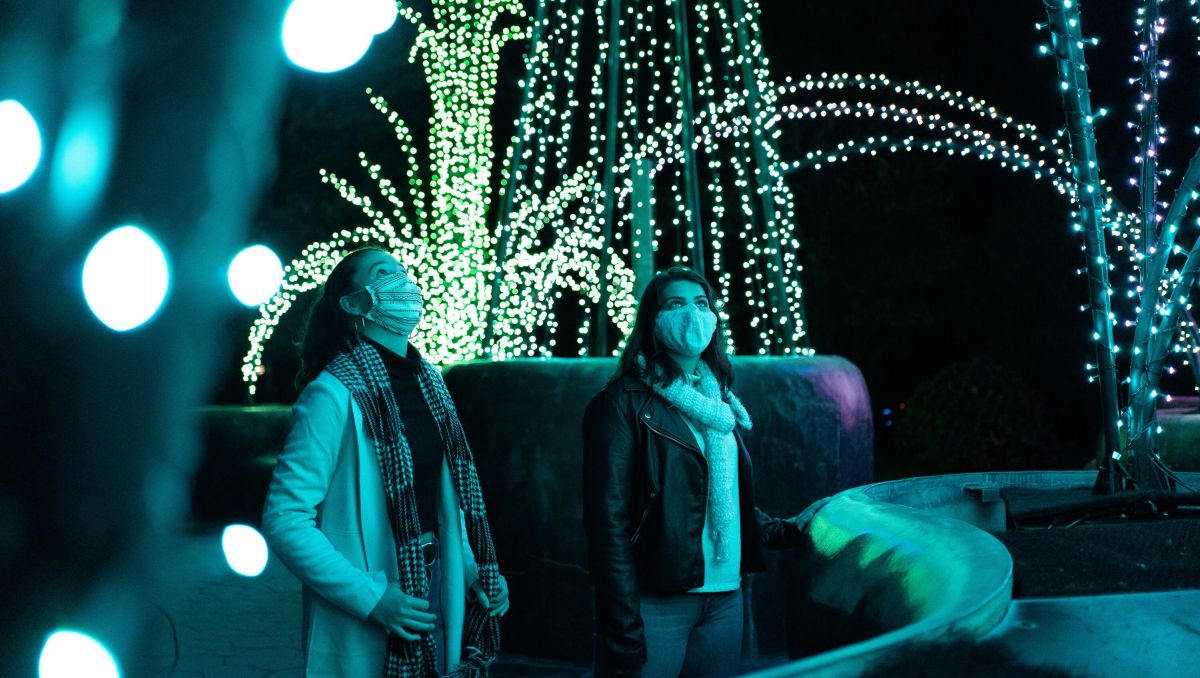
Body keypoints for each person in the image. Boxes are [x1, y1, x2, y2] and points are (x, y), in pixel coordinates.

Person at [262, 247, 509, 677]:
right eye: (383, 272)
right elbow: (284, 519)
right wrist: (372, 597)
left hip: (432, 583)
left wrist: (471, 572)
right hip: (375, 598)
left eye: (402, 271)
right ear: (354, 304)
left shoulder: (432, 387)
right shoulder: (332, 395)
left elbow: (439, 503)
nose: (402, 280)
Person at [582, 266, 808, 677]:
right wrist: (623, 623)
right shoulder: (621, 404)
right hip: (658, 598)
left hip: (725, 595)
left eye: (701, 303)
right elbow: (606, 524)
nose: (692, 313)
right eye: (676, 304)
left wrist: (781, 529)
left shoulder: (720, 403)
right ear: (653, 319)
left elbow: (724, 497)